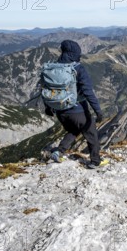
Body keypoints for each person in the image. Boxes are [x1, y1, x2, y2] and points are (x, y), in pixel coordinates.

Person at [44, 40, 105, 169]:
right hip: (77, 110)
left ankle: (58, 152)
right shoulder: (78, 69)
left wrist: (48, 107)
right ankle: (95, 161)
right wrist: (98, 111)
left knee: (74, 130)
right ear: (75, 53)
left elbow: (47, 89)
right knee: (91, 133)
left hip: (60, 111)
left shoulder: (53, 68)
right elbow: (88, 92)